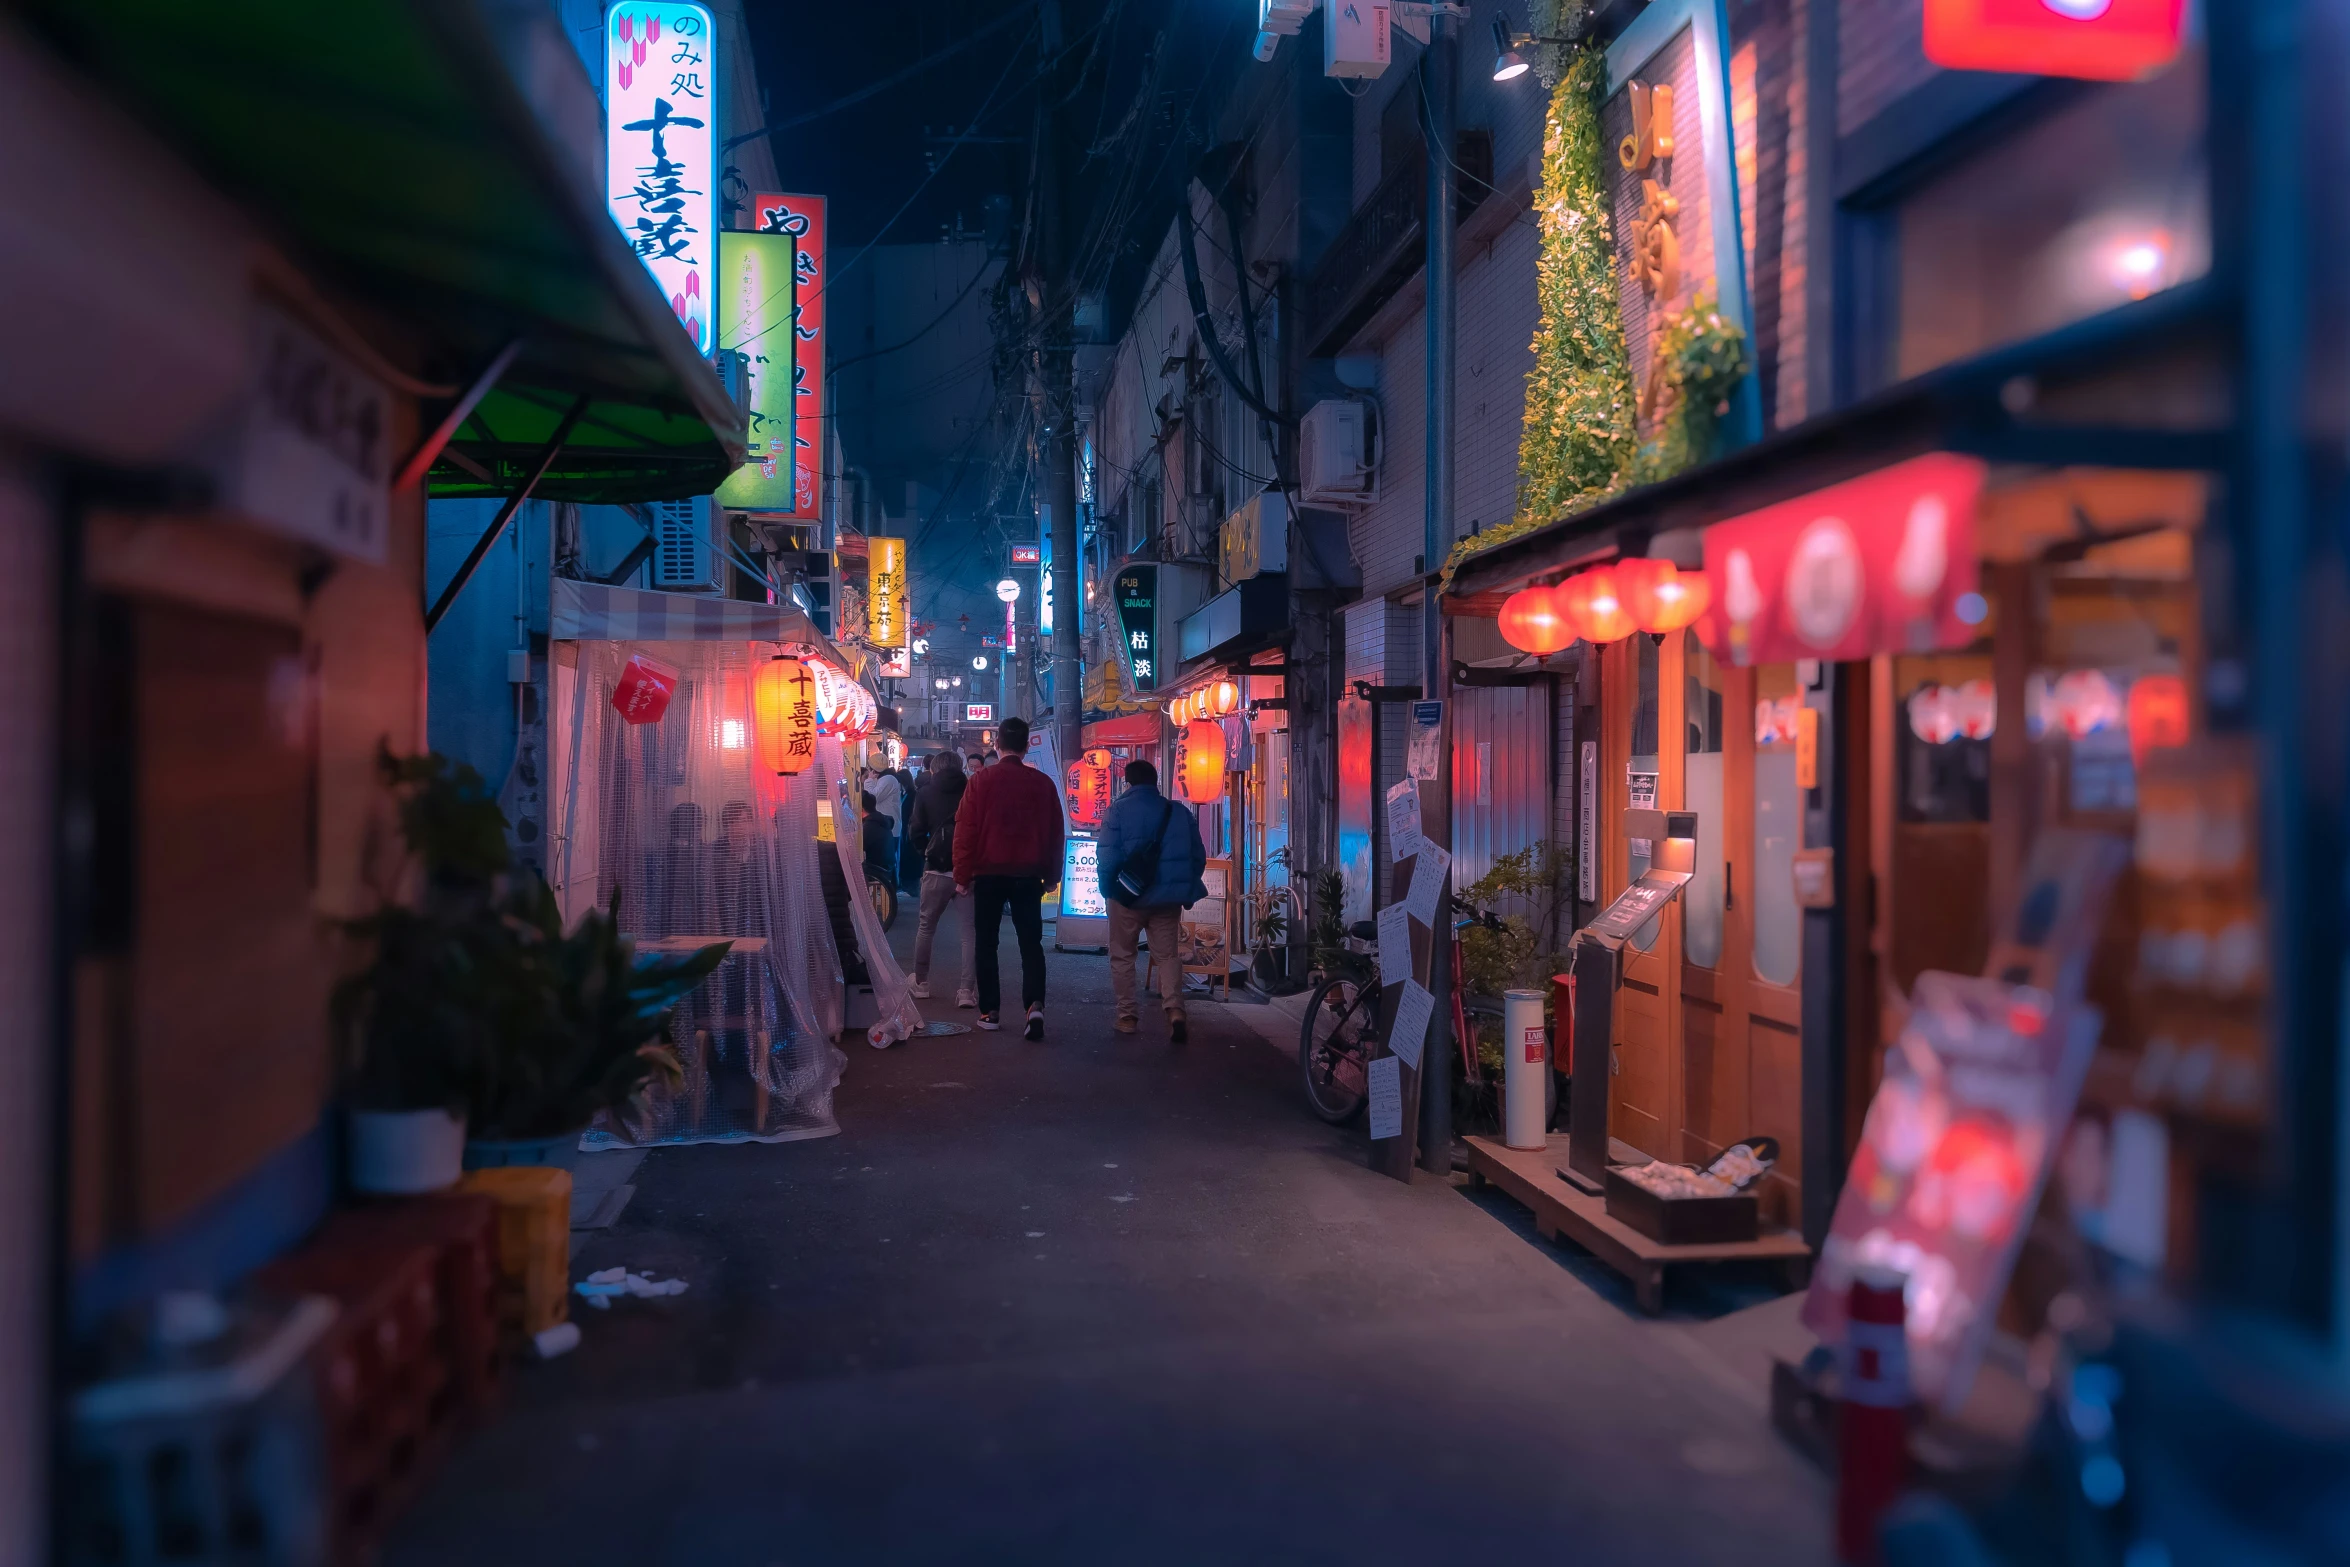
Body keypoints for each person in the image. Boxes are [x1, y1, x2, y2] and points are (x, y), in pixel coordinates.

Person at [951, 716, 1062, 1038]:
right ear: (1027, 746)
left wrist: (961, 874)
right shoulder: (1042, 784)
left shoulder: (981, 781)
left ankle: (990, 1011)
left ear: (996, 744)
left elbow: (965, 830)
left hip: (988, 873)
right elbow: (1055, 834)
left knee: (987, 943)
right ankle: (1035, 1006)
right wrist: (1052, 875)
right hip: (1028, 875)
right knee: (1031, 944)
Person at [1095, 758, 1208, 1042]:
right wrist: (1187, 889)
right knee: (1167, 955)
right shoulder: (1178, 812)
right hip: (1167, 901)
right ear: (1155, 781)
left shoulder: (1117, 811)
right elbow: (1197, 855)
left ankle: (1127, 1017)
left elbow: (1107, 855)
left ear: (1127, 782)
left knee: (1122, 954)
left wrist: (1109, 890)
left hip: (1127, 898)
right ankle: (1175, 1010)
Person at [904, 753, 976, 1006]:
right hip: (967, 872)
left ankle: (921, 983)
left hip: (935, 869)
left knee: (926, 927)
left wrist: (927, 851)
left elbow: (914, 830)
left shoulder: (924, 792)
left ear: (933, 769)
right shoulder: (972, 790)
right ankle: (966, 991)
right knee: (969, 933)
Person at [859, 789, 894, 884]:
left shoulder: (870, 826)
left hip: (876, 872)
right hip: (887, 869)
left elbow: (856, 848)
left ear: (861, 809)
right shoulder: (881, 821)